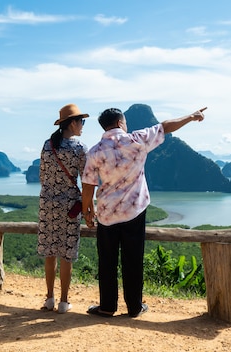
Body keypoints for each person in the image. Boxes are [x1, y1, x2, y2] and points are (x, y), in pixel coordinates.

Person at [81, 106, 206, 317]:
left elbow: (87, 187)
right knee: (133, 259)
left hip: (106, 213)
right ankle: (134, 307)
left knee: (107, 261)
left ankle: (107, 306)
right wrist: (192, 117)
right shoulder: (137, 139)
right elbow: (165, 127)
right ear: (121, 123)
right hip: (134, 211)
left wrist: (88, 213)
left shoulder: (95, 151)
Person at [37, 103, 89, 314]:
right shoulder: (79, 148)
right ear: (73, 123)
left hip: (46, 205)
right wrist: (88, 209)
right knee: (66, 254)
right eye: (82, 122)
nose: (83, 126)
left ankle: (49, 298)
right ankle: (64, 301)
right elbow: (87, 180)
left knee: (50, 252)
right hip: (68, 206)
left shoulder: (48, 145)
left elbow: (42, 177)